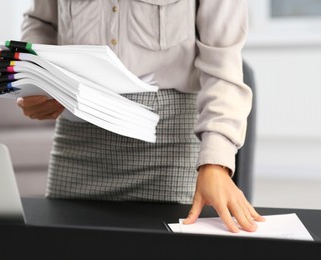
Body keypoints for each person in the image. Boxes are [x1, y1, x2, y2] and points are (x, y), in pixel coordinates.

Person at [17, 0, 265, 233]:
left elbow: (224, 66)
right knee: (65, 246)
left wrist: (215, 162)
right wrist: (38, 79)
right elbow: (41, 23)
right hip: (77, 140)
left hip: (170, 146)